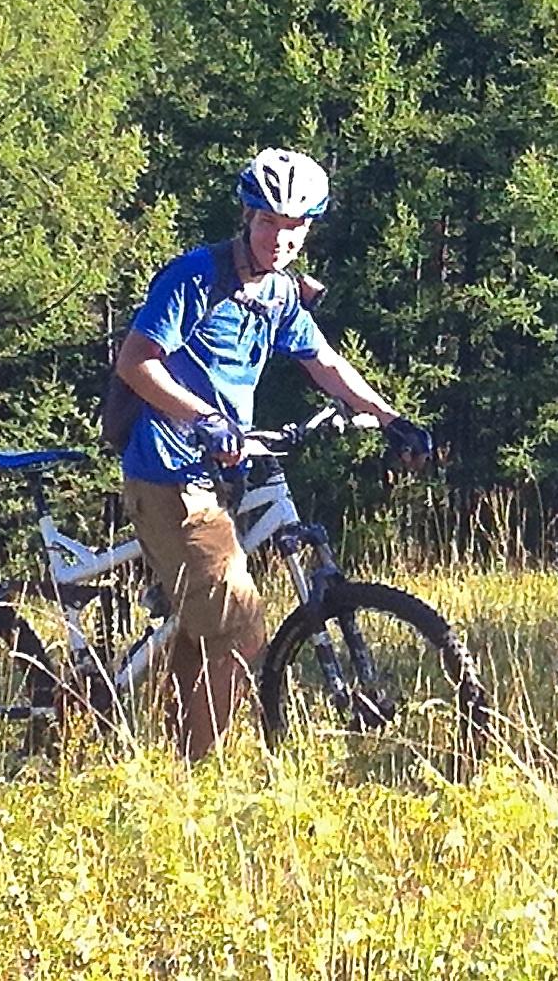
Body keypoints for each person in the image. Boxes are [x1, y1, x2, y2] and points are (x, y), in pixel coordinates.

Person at [115, 147, 432, 760]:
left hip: (220, 472)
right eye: (269, 224)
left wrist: (389, 418)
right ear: (247, 217)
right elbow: (136, 363)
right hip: (169, 470)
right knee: (240, 624)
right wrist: (203, 417)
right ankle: (194, 775)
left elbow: (325, 364)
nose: (281, 240)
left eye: (295, 228)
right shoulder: (194, 279)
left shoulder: (280, 294)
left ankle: (175, 757)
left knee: (204, 627)